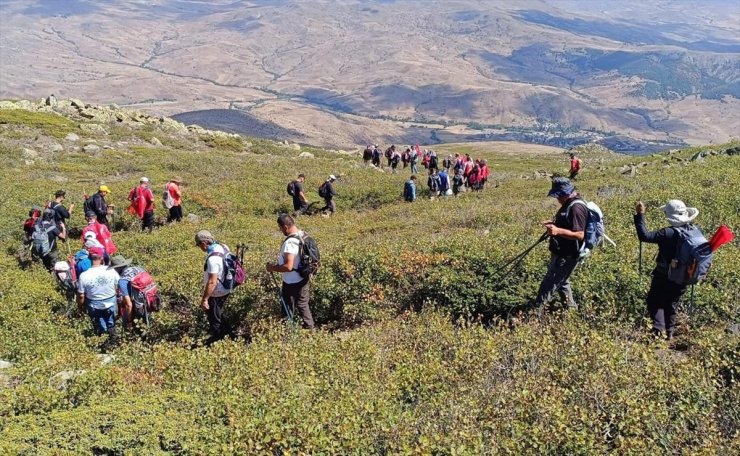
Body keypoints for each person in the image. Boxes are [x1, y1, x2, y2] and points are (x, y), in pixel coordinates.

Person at [634, 200, 702, 340]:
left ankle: (658, 329)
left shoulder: (667, 233)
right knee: (672, 302)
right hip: (684, 274)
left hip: (664, 274)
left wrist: (640, 215)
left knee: (654, 300)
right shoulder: (694, 230)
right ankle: (669, 333)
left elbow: (644, 236)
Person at [532, 177, 588, 316]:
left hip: (567, 255)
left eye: (558, 195)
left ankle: (533, 316)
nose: (557, 199)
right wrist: (554, 224)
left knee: (548, 285)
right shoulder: (568, 203)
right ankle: (571, 312)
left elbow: (580, 234)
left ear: (565, 193)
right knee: (562, 283)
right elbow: (567, 225)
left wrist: (557, 231)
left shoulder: (577, 208)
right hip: (561, 253)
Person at [265, 214, 315, 329]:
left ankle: (287, 333)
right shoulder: (303, 234)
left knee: (287, 308)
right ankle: (310, 330)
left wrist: (272, 268)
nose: (281, 230)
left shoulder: (290, 243)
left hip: (292, 281)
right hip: (304, 277)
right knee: (303, 305)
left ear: (286, 227)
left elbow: (288, 266)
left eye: (280, 228)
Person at [195, 230, 234, 345]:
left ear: (204, 243)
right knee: (218, 313)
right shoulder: (222, 247)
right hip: (226, 287)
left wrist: (205, 299)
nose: (199, 247)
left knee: (214, 319)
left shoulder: (213, 259)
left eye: (198, 244)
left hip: (217, 292)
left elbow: (212, 282)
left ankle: (219, 342)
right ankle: (230, 335)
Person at [76, 246, 120, 344]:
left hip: (94, 305)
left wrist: (80, 307)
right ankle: (113, 342)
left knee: (100, 325)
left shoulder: (84, 276)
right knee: (111, 324)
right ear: (101, 258)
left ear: (89, 258)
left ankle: (102, 342)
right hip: (111, 302)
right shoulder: (111, 270)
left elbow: (81, 296)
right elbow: (118, 286)